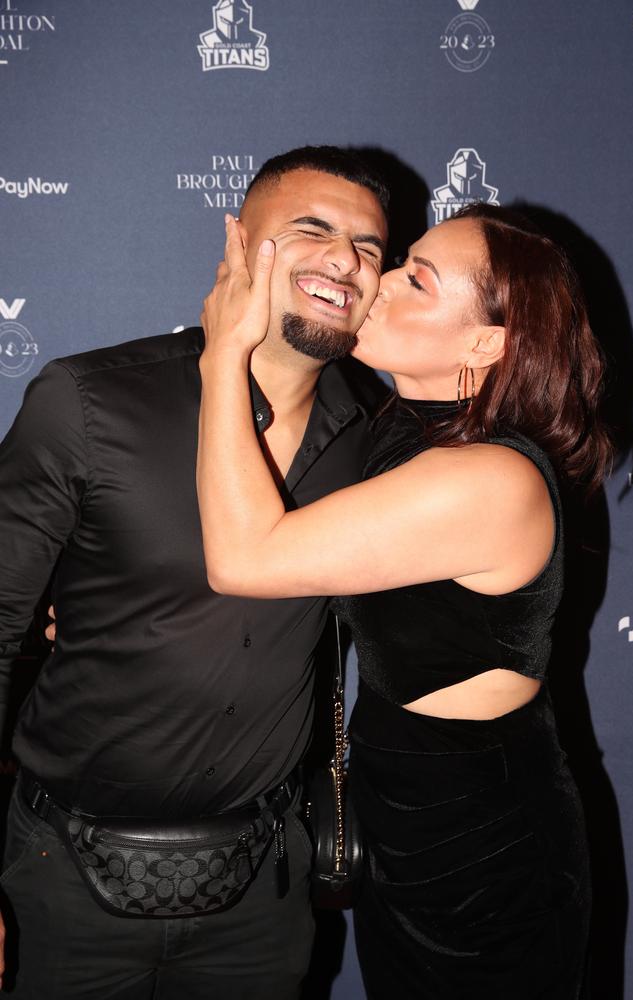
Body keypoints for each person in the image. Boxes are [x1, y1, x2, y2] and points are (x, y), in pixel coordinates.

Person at [0, 146, 389, 999]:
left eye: (369, 247)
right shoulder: (90, 402)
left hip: (263, 893)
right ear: (239, 240)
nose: (345, 261)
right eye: (313, 229)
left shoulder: (382, 442)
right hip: (62, 877)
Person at [196, 204, 611, 999]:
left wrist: (225, 354)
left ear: (485, 342)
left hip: (487, 842)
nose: (378, 281)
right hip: (409, 813)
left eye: (415, 280)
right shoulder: (404, 426)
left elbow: (247, 556)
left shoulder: (488, 478)